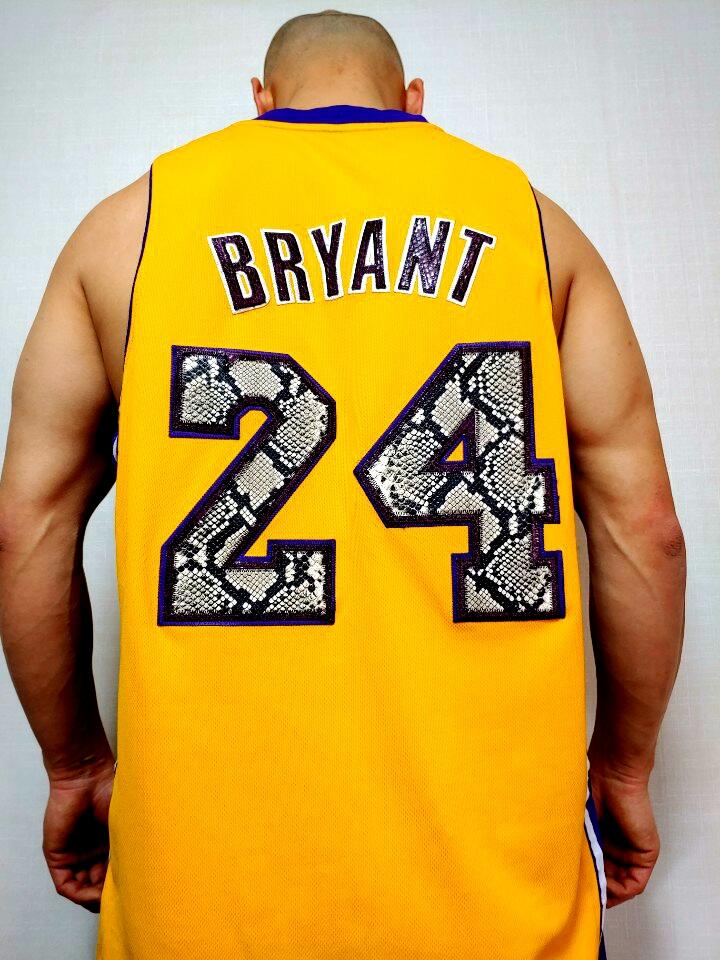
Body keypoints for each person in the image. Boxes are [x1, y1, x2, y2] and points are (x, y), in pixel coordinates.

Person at [0, 10, 686, 960]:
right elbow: (646, 528)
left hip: (199, 911)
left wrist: (75, 765)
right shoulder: (533, 226)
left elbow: (26, 528)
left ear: (260, 101)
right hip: (502, 909)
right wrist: (626, 765)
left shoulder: (129, 228)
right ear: (413, 102)